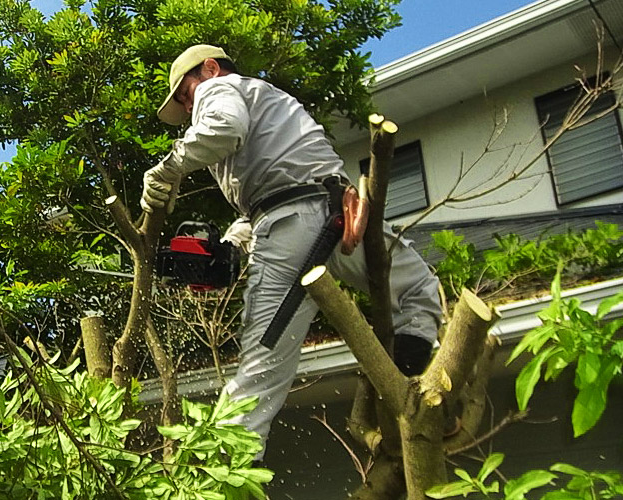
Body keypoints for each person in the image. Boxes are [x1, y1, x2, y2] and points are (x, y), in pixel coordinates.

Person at [141, 45, 443, 460]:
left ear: (209, 69)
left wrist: (166, 167)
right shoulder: (267, 103)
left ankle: (226, 471)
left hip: (294, 222)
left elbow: (227, 131)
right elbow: (271, 193)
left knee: (262, 367)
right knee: (418, 286)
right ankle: (411, 368)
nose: (189, 107)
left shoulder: (221, 90)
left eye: (185, 95)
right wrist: (231, 247)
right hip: (337, 212)